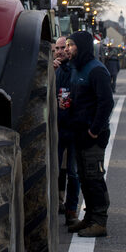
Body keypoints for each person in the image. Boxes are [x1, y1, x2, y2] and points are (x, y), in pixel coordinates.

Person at [65, 30, 114, 238]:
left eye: (71, 45)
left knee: (94, 178)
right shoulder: (76, 69)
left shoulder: (97, 70)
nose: (67, 49)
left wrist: (94, 130)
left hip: (93, 135)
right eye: (67, 45)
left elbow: (106, 103)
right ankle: (89, 218)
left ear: (82, 47)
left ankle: (100, 222)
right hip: (79, 134)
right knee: (84, 178)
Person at [54, 36, 80, 225]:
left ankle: (71, 211)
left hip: (74, 129)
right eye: (57, 48)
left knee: (73, 172)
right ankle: (56, 203)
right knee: (54, 169)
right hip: (57, 128)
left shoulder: (75, 70)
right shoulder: (53, 70)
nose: (60, 51)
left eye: (64, 47)